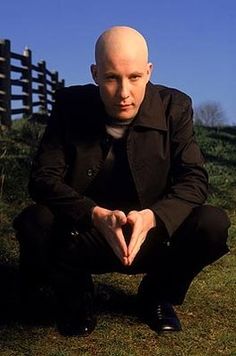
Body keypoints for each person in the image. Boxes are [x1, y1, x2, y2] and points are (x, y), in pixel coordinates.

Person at [13, 26, 230, 336]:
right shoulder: (70, 105)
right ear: (95, 73)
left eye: (135, 77)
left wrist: (154, 217)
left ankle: (156, 296)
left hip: (152, 237)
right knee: (34, 221)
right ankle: (76, 296)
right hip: (86, 234)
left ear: (149, 71)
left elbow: (194, 179)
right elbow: (43, 178)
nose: (124, 93)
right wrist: (94, 214)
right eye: (112, 78)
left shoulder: (175, 108)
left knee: (212, 223)